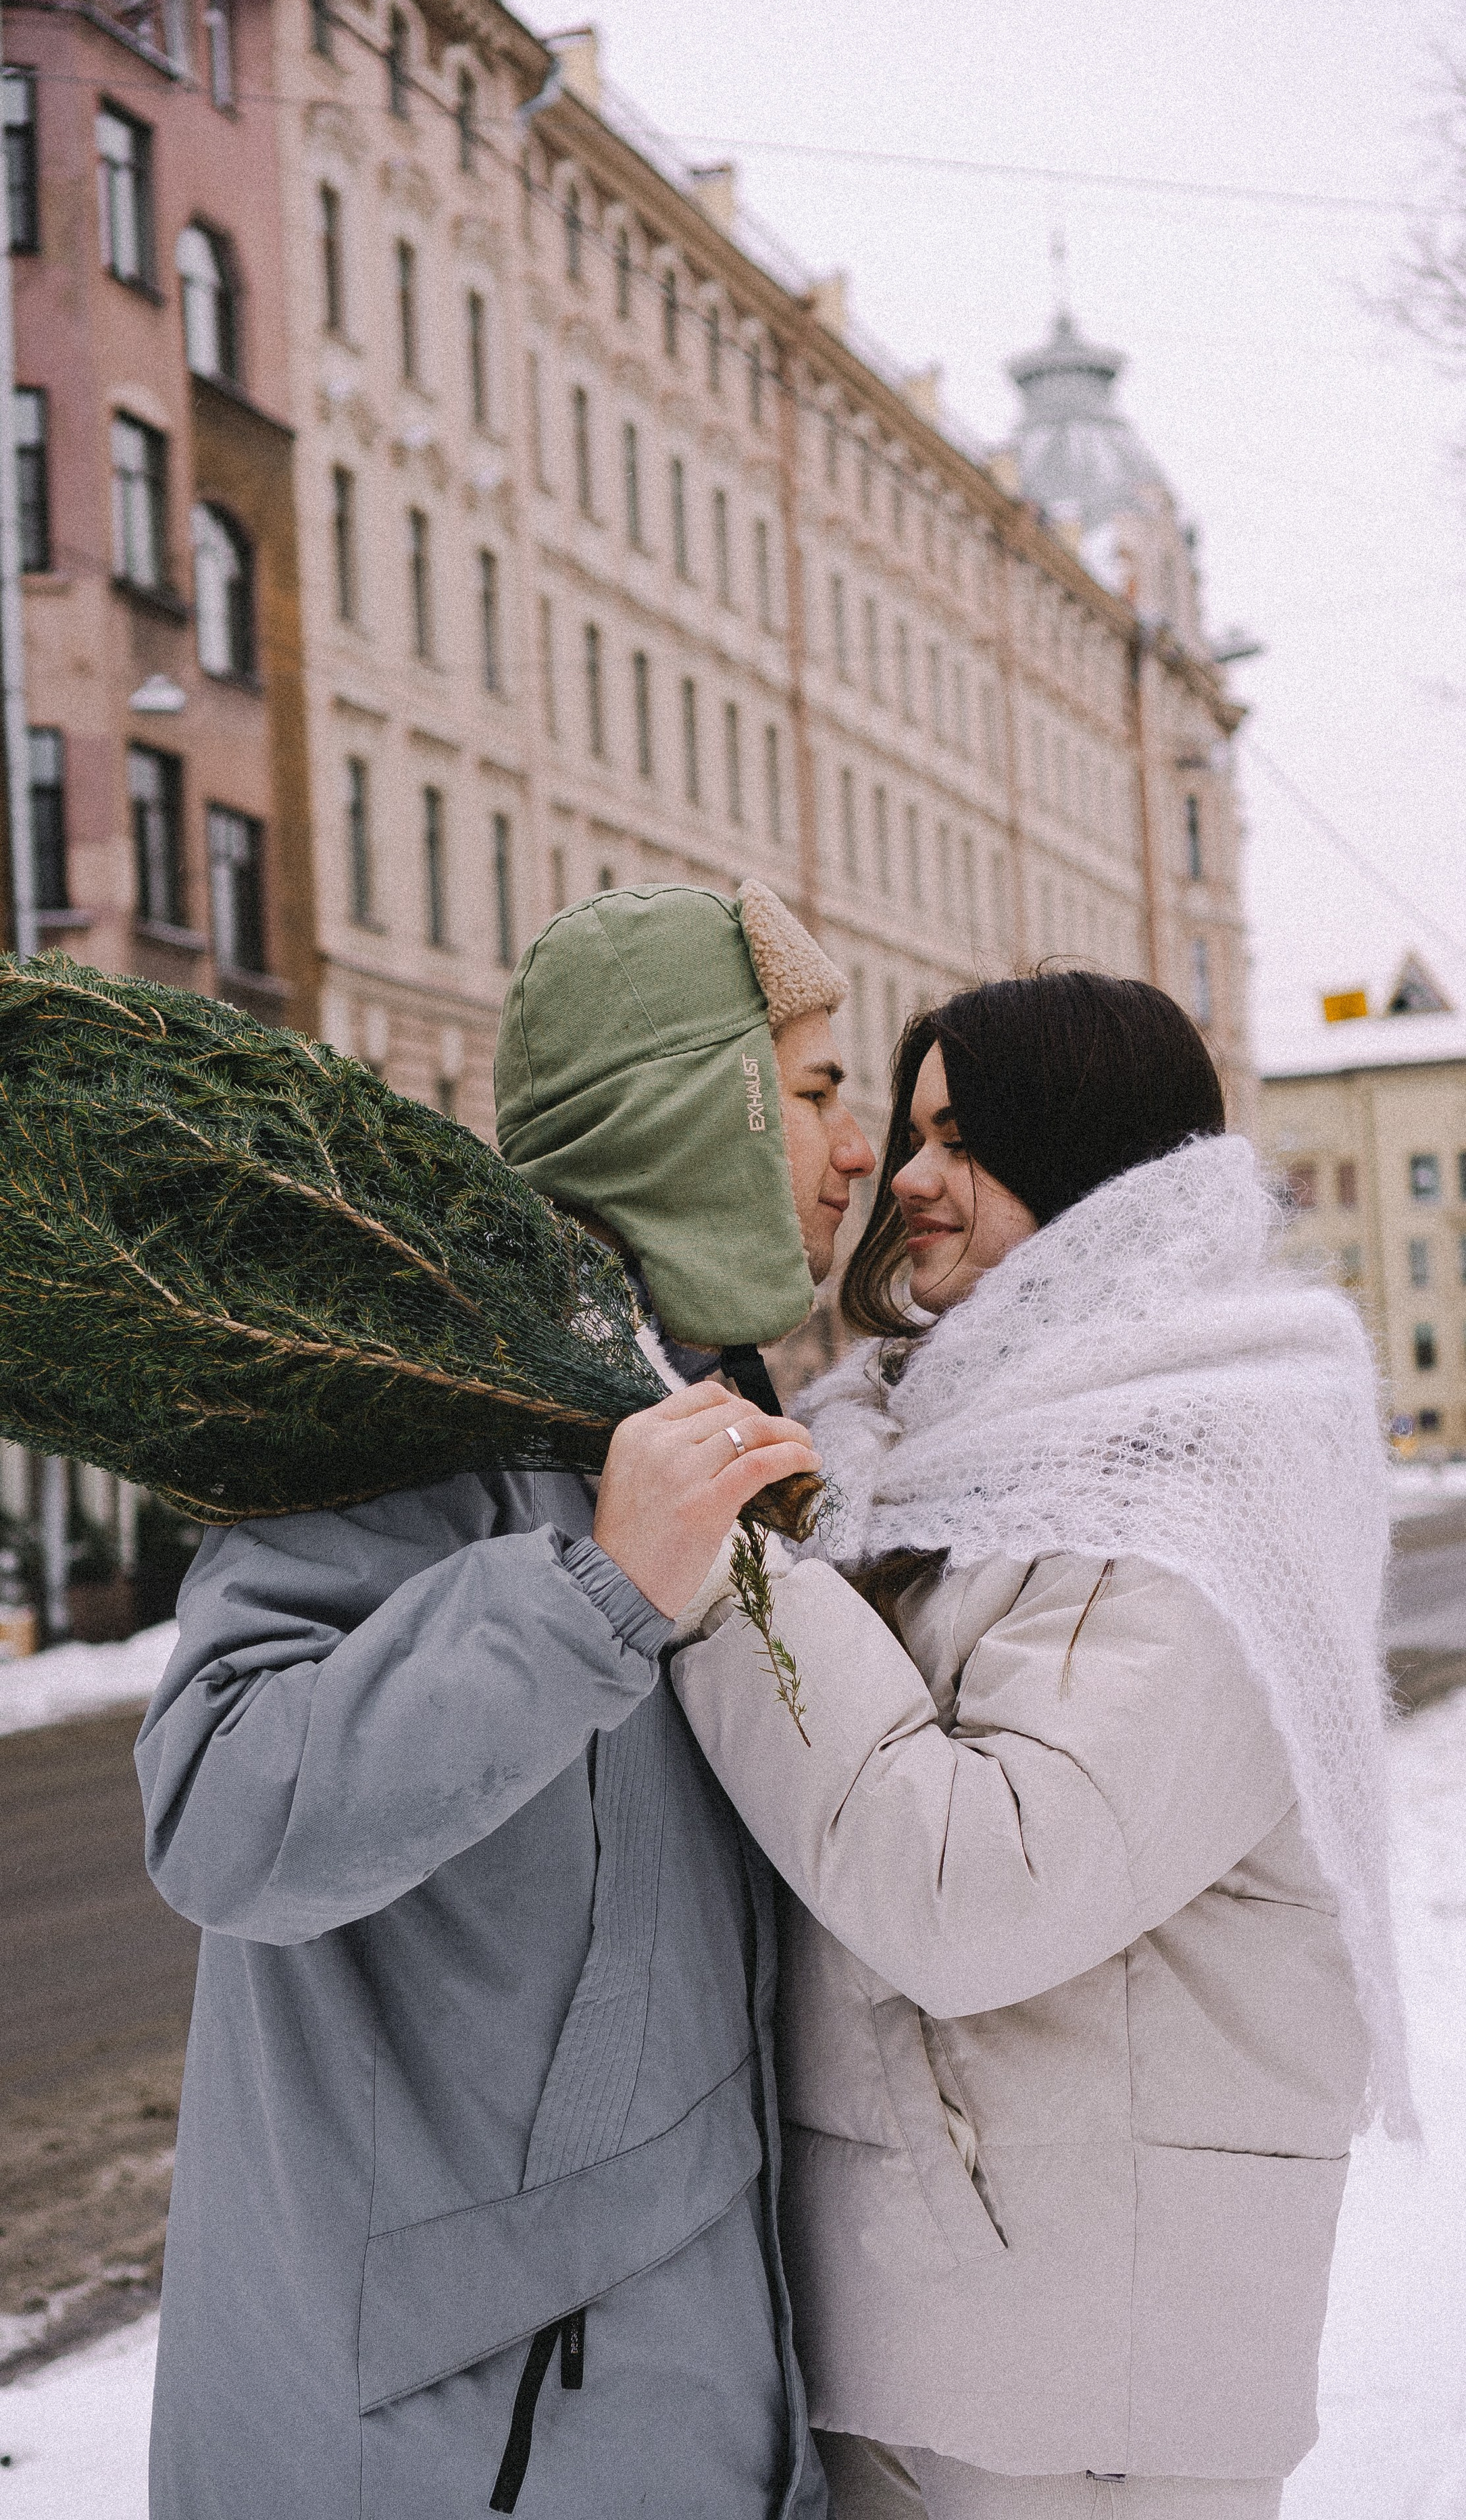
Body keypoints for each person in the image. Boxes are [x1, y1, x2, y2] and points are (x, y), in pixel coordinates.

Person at [136, 881, 871, 2520]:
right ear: (688, 1111)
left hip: (656, 2401)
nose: (856, 1153)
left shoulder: (681, 1423)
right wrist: (592, 1594)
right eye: (815, 1092)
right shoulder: (412, 1413)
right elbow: (222, 1816)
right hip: (454, 2437)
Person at [668, 969, 1414, 2520]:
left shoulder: (1195, 1473)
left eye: (967, 1137)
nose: (906, 1173)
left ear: (1089, 1162)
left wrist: (722, 1575)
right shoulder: (928, 1441)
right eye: (910, 1124)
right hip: (950, 2316)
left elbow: (979, 1890)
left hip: (1082, 2380)